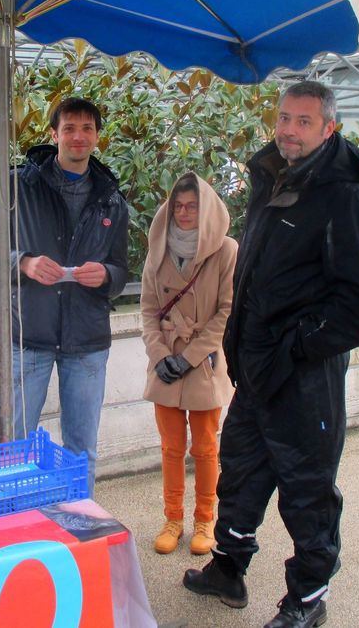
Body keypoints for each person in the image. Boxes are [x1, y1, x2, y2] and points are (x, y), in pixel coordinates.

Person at [183, 81, 359, 628]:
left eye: (303, 121)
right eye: (285, 118)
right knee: (241, 474)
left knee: (307, 490)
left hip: (304, 376)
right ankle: (229, 568)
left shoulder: (347, 196)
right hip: (254, 369)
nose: (289, 130)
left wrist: (296, 346)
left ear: (329, 128)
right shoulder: (273, 179)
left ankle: (307, 600)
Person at [0, 97, 129, 492]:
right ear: (54, 134)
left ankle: (79, 526)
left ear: (97, 136)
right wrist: (23, 263)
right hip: (29, 337)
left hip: (87, 340)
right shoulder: (17, 186)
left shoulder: (112, 197)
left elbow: (122, 270)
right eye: (70, 128)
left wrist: (106, 275)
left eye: (87, 129)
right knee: (14, 446)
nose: (79, 136)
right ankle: (14, 527)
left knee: (82, 450)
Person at [140, 172, 237, 556]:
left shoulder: (226, 250)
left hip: (203, 364)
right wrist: (162, 356)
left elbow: (227, 312)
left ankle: (204, 521)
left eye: (192, 206)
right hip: (165, 363)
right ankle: (173, 520)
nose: (183, 213)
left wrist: (190, 357)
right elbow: (147, 311)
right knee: (170, 447)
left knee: (206, 448)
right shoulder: (157, 250)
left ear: (206, 208)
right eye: (178, 206)